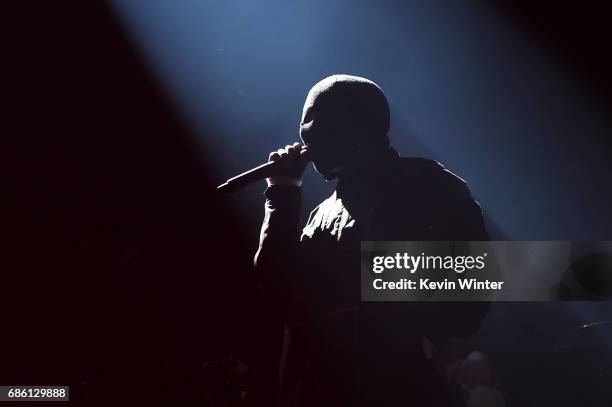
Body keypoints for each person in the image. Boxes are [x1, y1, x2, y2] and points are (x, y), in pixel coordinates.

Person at [254, 74, 491, 406]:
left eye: (320, 129)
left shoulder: (426, 184)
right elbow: (278, 288)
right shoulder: (320, 214)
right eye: (305, 132)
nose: (309, 143)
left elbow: (471, 292)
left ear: (360, 126)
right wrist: (282, 192)